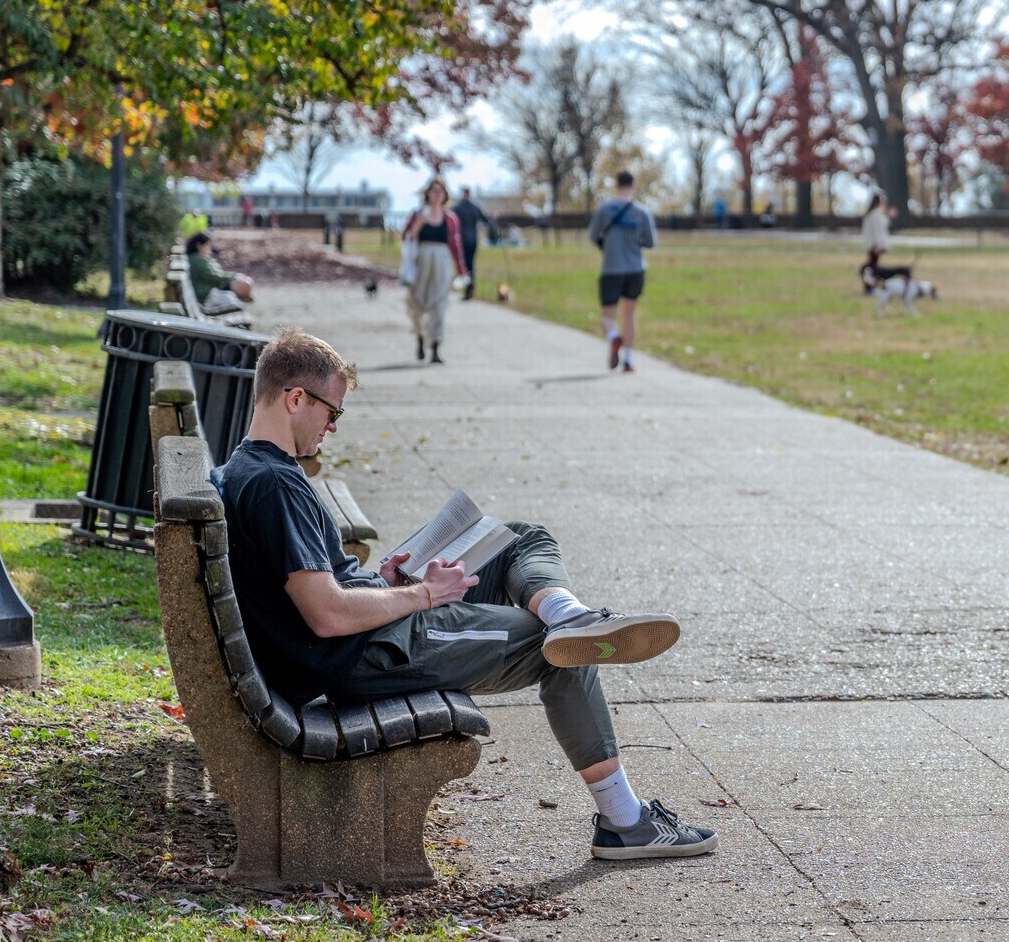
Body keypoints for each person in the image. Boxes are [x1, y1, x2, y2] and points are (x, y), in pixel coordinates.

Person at [218, 329, 716, 860]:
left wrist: (383, 581)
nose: (332, 428)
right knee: (560, 647)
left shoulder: (248, 469)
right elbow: (326, 615)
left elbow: (323, 594)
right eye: (332, 413)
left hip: (367, 638)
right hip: (366, 653)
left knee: (520, 537)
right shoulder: (275, 484)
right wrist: (424, 595)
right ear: (296, 398)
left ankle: (566, 610)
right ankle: (626, 821)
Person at [589, 170, 656, 373]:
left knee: (609, 315)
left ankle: (613, 337)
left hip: (611, 268)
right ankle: (628, 360)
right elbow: (650, 242)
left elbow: (593, 235)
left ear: (616, 184)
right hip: (635, 269)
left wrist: (608, 244)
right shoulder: (642, 212)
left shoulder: (604, 209)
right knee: (629, 314)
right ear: (633, 185)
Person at [402, 179, 466, 364]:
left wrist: (462, 270)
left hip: (442, 260)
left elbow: (456, 245)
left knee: (439, 304)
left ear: (445, 195)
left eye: (441, 191)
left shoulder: (450, 218)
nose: (437, 194)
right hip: (422, 259)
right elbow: (408, 237)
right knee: (418, 301)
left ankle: (435, 347)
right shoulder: (417, 214)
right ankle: (420, 339)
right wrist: (420, 223)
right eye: (434, 191)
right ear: (428, 194)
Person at [186, 232, 253, 309]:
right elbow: (213, 276)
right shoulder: (197, 259)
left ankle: (243, 299)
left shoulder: (199, 257)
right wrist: (234, 276)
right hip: (208, 294)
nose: (210, 247)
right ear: (199, 245)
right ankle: (244, 299)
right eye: (208, 244)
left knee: (246, 282)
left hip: (212, 289)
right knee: (245, 284)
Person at [451, 187, 493, 300]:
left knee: (464, 264)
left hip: (462, 240)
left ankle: (467, 287)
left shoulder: (457, 208)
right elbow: (486, 219)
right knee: (470, 264)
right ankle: (470, 286)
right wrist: (492, 217)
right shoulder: (475, 208)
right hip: (473, 240)